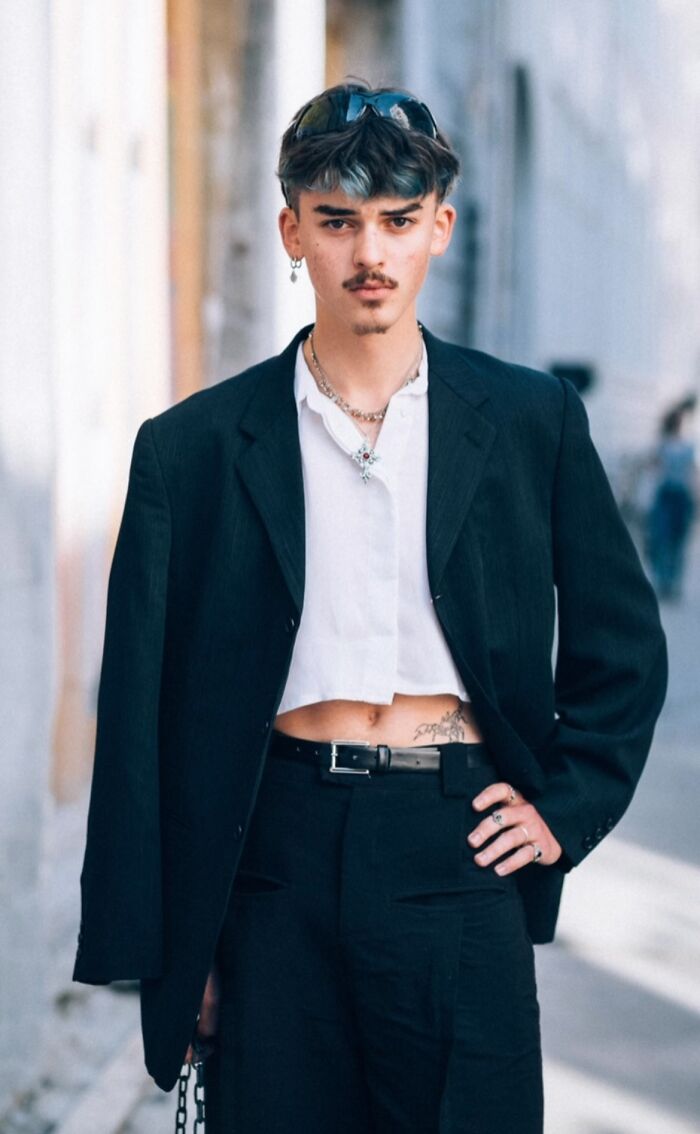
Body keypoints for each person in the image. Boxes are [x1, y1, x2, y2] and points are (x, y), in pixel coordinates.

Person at [73, 83, 668, 1133]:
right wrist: (172, 950)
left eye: (398, 221)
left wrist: (562, 812)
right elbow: (139, 719)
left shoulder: (529, 421)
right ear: (292, 227)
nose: (370, 255)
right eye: (339, 221)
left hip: (455, 845)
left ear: (439, 225)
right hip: (272, 857)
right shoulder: (194, 449)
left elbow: (623, 652)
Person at [646, 401, 697, 600]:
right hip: (670, 495)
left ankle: (669, 582)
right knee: (667, 540)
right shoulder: (665, 445)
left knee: (673, 540)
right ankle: (666, 581)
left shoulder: (681, 446)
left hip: (676, 496)